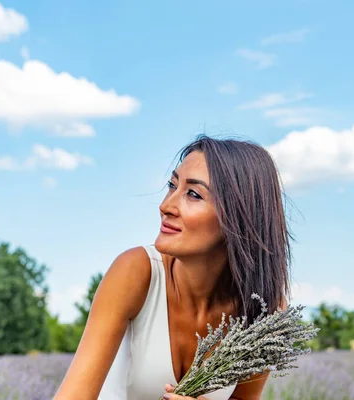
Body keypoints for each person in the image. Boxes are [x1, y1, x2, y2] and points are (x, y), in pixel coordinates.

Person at [53, 134, 293, 400]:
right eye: (172, 185)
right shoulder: (136, 272)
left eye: (193, 194)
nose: (165, 205)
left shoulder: (265, 308)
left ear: (239, 217)